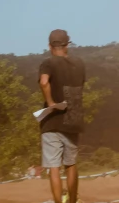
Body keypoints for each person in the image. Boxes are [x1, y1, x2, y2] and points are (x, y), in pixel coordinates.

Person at [38, 29, 85, 203]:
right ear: (67, 45)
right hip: (73, 120)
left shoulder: (48, 63)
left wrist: (50, 102)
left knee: (54, 167)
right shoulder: (79, 64)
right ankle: (72, 200)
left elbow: (44, 82)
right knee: (71, 164)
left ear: (50, 46)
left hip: (52, 122)